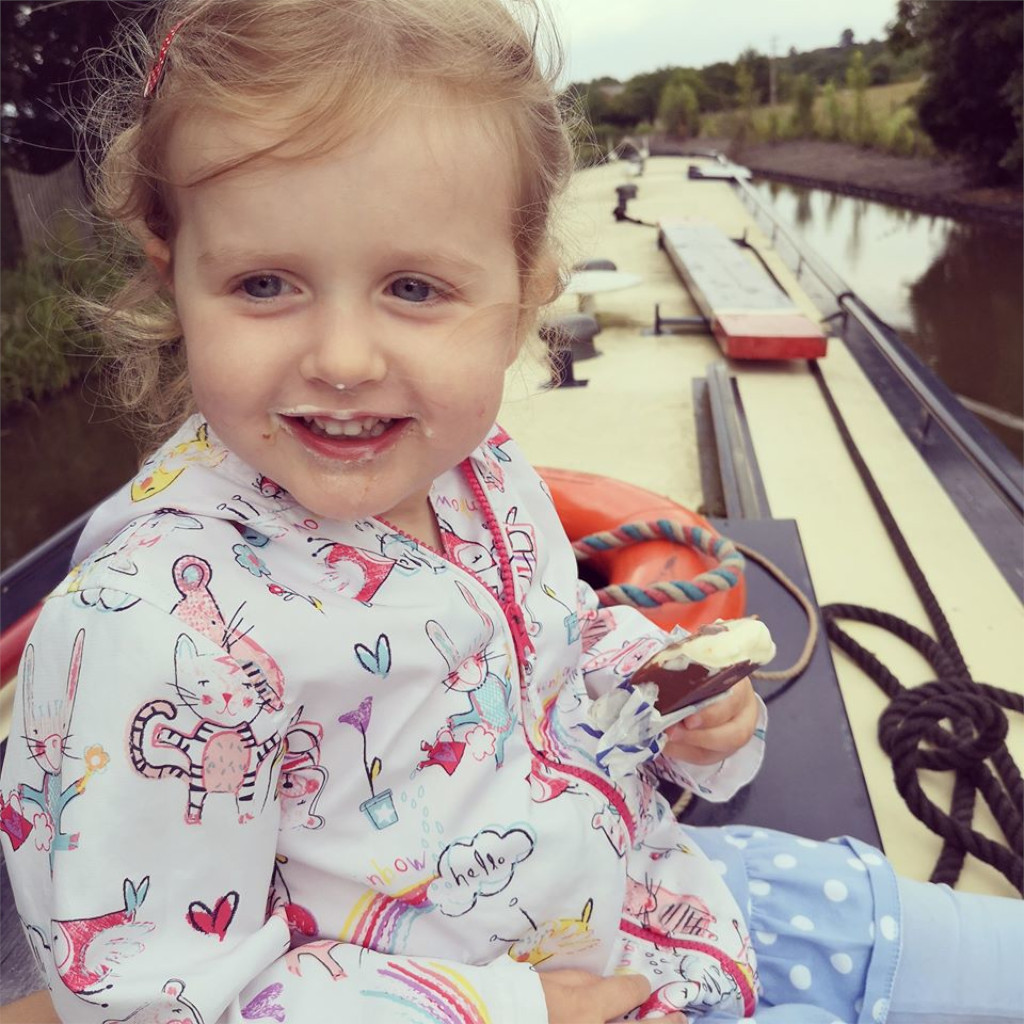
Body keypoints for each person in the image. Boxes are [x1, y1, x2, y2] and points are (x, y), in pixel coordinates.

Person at [1, 2, 1021, 1022]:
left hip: (666, 900)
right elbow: (160, 1001)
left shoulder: (477, 469)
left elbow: (546, 655)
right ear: (170, 276)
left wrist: (666, 708)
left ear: (524, 294)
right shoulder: (163, 636)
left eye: (414, 286)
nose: (344, 360)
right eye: (263, 284)